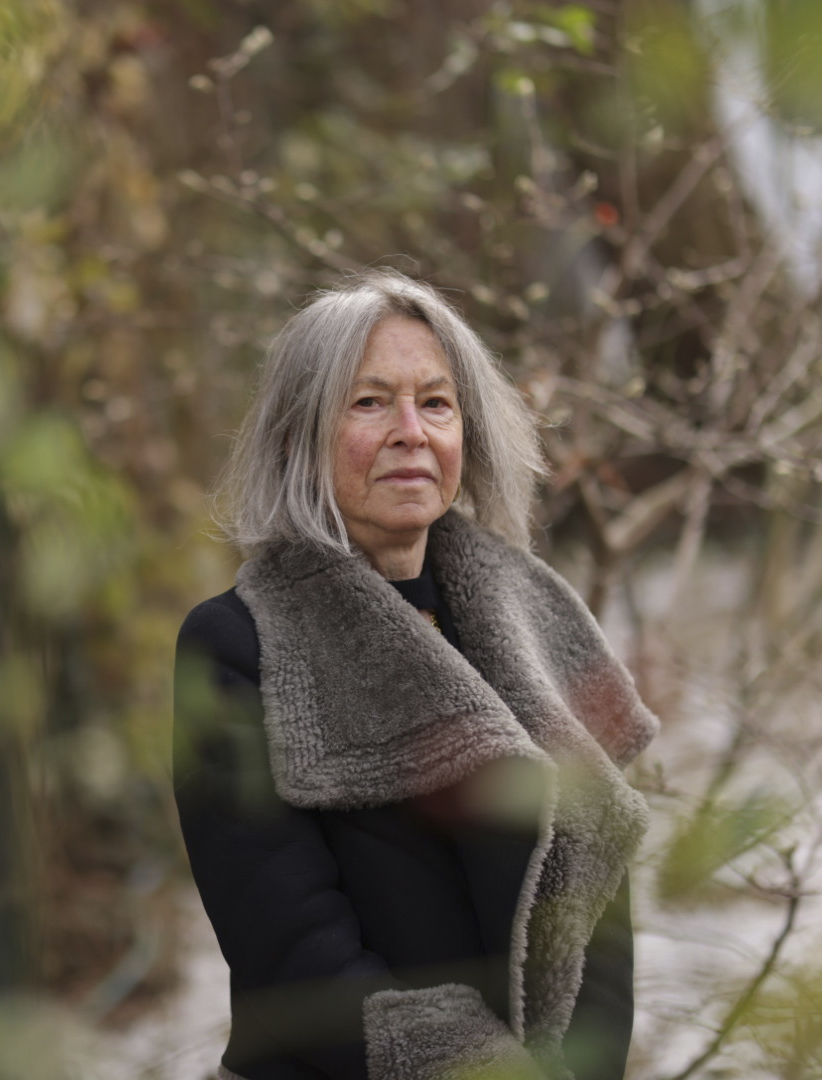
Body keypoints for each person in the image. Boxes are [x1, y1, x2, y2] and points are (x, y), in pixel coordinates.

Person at [173, 270, 659, 1080]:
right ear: (296, 437)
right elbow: (291, 950)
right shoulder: (237, 645)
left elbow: (597, 886)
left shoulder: (539, 620)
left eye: (436, 403)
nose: (410, 431)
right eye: (369, 402)